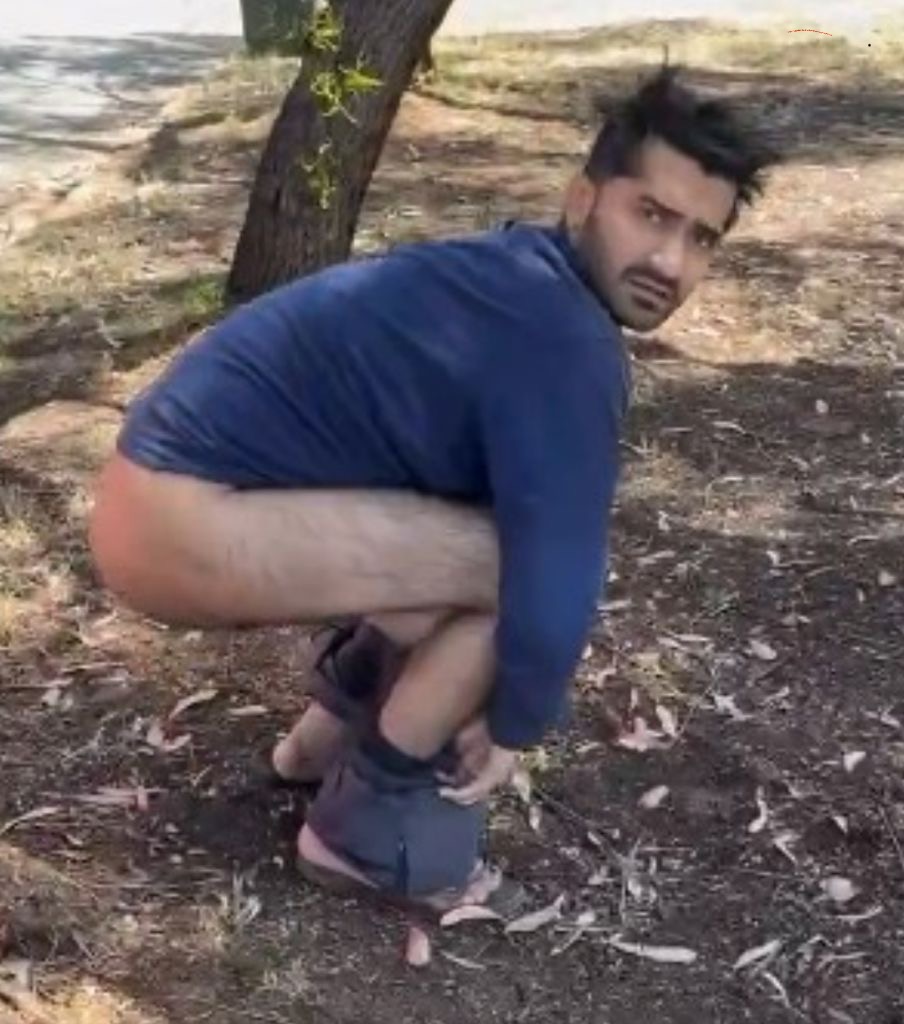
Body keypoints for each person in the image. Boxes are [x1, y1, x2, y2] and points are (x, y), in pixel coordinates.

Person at [88, 65, 780, 917]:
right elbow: (554, 580)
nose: (671, 262)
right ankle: (370, 837)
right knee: (514, 579)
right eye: (652, 215)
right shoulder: (563, 338)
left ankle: (315, 751)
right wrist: (517, 725)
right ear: (583, 199)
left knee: (482, 544)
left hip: (163, 492)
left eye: (702, 239)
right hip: (178, 516)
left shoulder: (518, 275)